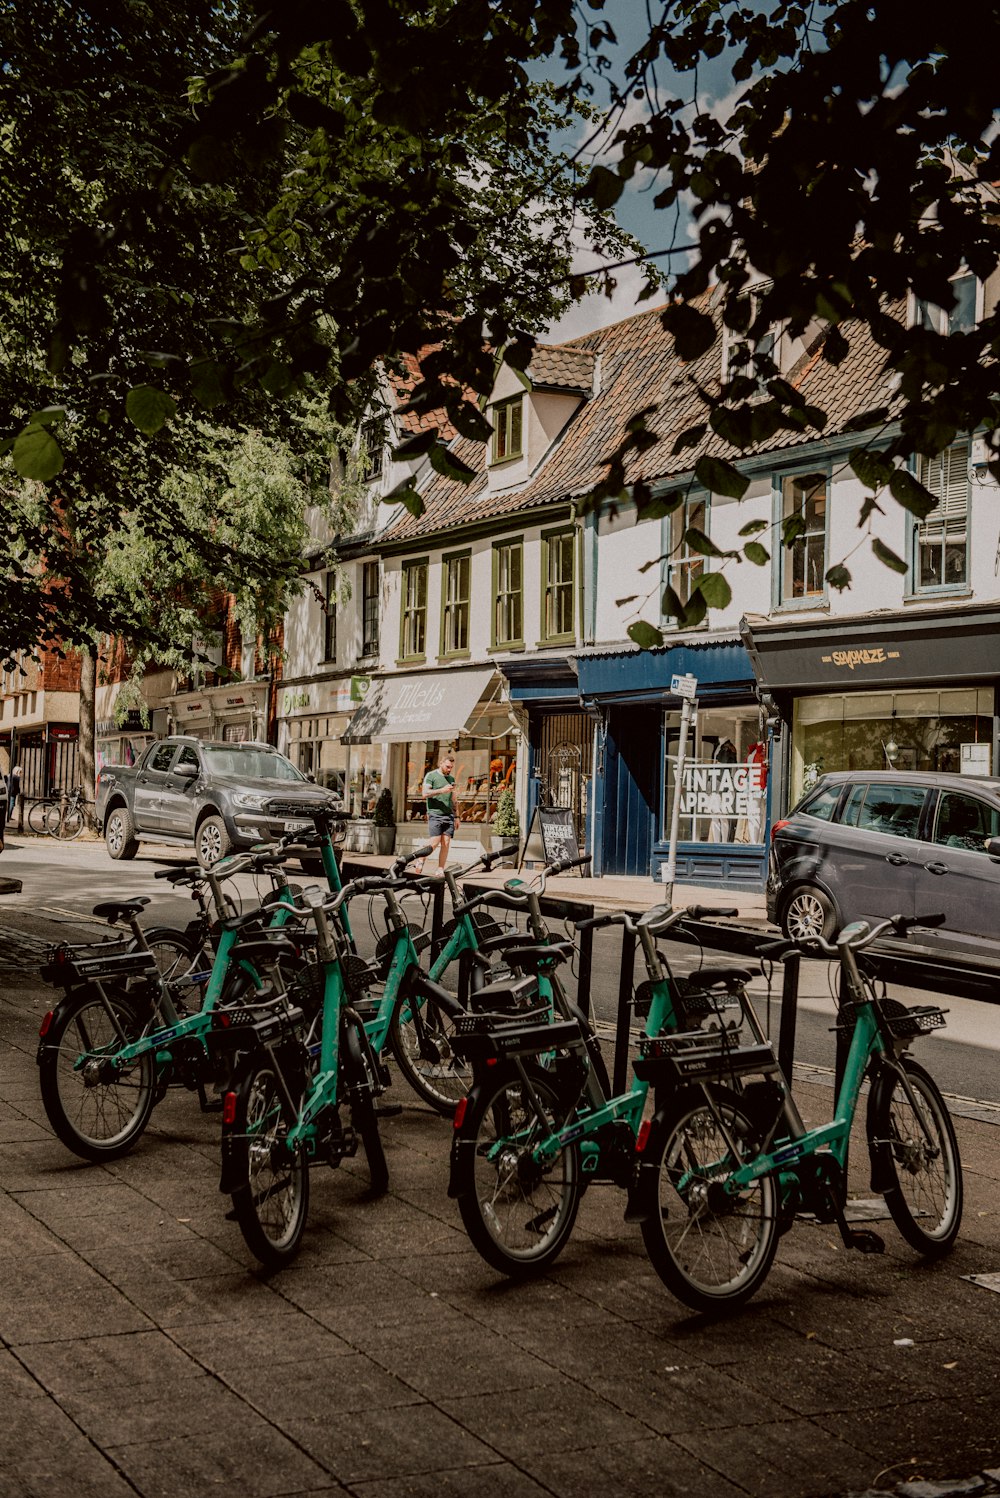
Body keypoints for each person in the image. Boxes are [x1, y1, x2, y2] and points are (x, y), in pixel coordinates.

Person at [415, 750, 459, 876]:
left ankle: (440, 868)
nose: (449, 769)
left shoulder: (451, 779)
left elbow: (454, 799)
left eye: (451, 767)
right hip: (435, 813)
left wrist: (457, 816)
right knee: (434, 842)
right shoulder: (431, 776)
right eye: (447, 766)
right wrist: (441, 790)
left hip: (448, 814)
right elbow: (425, 794)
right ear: (441, 763)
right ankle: (421, 858)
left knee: (446, 843)